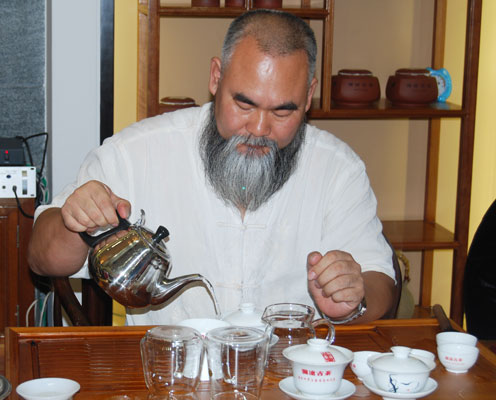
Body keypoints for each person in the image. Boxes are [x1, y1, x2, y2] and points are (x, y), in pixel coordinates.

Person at [28, 9, 397, 325]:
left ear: (309, 95)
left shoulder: (337, 169)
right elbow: (41, 259)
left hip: (289, 371)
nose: (259, 129)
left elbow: (381, 280)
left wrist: (355, 300)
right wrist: (78, 223)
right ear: (216, 77)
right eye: (244, 104)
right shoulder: (137, 152)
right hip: (171, 369)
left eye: (283, 111)